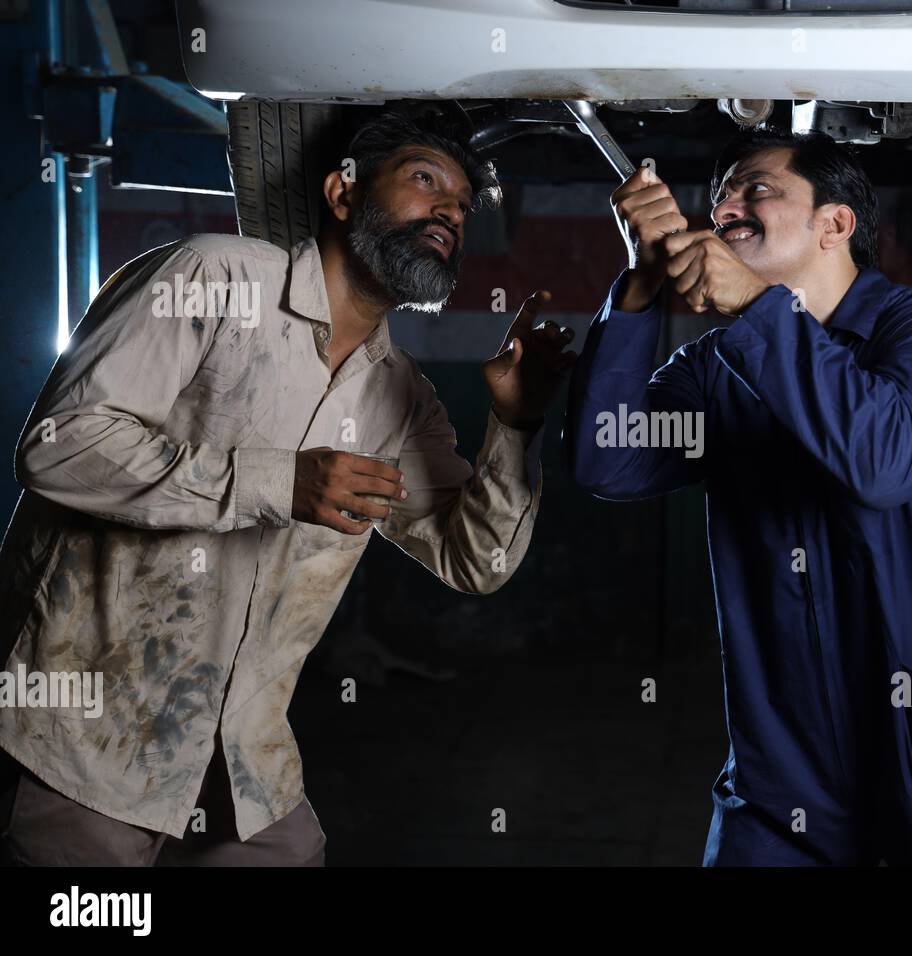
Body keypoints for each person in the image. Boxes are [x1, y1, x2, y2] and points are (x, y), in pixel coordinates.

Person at [0, 102, 576, 865]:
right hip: (79, 737)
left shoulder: (399, 397)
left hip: (240, 764)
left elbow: (477, 562)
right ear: (342, 194)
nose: (449, 210)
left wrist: (516, 424)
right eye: (425, 180)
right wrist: (278, 482)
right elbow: (58, 448)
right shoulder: (212, 278)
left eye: (463, 207)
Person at [566, 128, 912, 866]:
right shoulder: (717, 368)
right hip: (779, 773)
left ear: (836, 223)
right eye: (721, 193)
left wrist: (761, 313)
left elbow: (882, 461)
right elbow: (609, 457)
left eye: (756, 188)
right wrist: (637, 288)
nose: (726, 206)